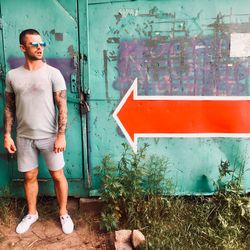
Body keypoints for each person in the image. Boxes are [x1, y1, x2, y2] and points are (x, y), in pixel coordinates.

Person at [3, 29, 74, 234]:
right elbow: (9, 107)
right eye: (34, 44)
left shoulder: (53, 73)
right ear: (23, 48)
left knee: (58, 175)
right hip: (24, 136)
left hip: (50, 136)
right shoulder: (12, 76)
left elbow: (62, 106)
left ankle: (63, 213)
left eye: (41, 44)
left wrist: (61, 135)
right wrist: (7, 135)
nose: (39, 47)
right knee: (29, 176)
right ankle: (32, 213)